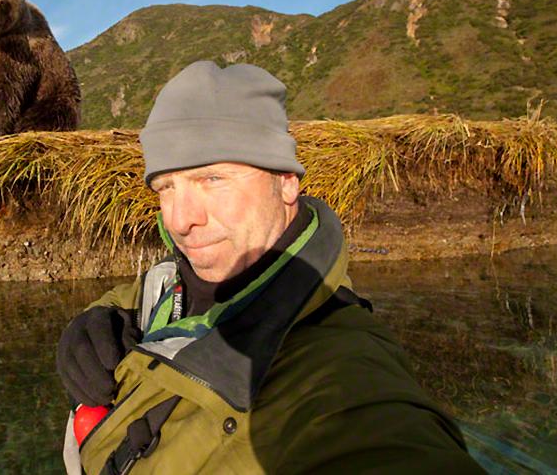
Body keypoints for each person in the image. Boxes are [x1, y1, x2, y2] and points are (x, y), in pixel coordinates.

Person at [56, 61, 484, 474]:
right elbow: (152, 288)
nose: (179, 219)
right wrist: (103, 315)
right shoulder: (178, 278)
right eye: (166, 187)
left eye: (212, 179)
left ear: (286, 183)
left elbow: (384, 444)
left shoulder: (343, 376)